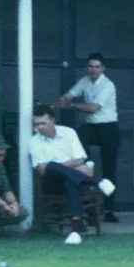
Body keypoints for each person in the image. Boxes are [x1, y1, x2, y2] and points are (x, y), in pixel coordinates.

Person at [55, 53, 120, 222]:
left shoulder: (108, 85)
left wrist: (70, 105)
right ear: (87, 67)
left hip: (108, 127)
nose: (93, 70)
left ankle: (109, 210)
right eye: (90, 66)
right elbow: (69, 95)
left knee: (109, 169)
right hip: (91, 127)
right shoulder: (84, 81)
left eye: (97, 66)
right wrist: (62, 100)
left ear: (103, 68)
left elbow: (92, 108)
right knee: (84, 163)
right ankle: (89, 207)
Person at [29, 103, 96, 245]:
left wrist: (57, 167)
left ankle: (75, 230)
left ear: (53, 120)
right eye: (36, 124)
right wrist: (72, 168)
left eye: (43, 123)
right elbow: (42, 169)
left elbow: (81, 158)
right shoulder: (34, 141)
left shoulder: (68, 133)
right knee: (53, 167)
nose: (40, 127)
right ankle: (96, 181)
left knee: (69, 180)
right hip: (51, 183)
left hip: (71, 180)